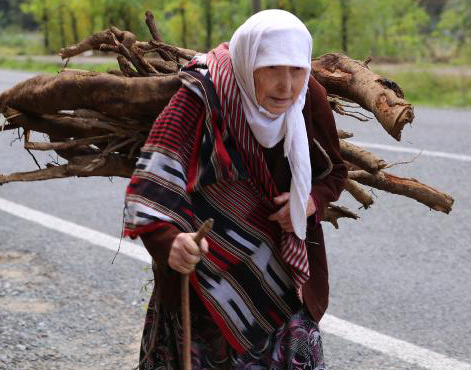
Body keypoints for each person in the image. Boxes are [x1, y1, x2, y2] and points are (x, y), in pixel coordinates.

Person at [123, 9, 346, 370]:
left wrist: (309, 202)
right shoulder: (201, 96)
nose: (286, 86)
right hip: (205, 283)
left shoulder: (309, 97)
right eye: (272, 68)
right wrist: (169, 243)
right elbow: (153, 183)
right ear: (248, 62)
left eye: (296, 70)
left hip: (281, 284)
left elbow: (334, 172)